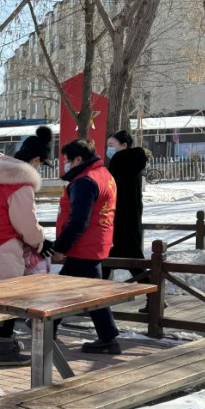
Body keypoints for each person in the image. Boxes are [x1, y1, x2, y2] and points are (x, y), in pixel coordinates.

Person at [0, 129, 53, 367]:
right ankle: (5, 350)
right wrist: (41, 240)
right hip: (1, 248)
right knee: (8, 300)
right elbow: (26, 223)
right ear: (35, 161)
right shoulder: (19, 184)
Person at [52, 139, 121, 354]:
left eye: (67, 161)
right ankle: (107, 337)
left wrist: (61, 246)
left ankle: (108, 338)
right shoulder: (104, 175)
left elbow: (78, 220)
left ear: (79, 159)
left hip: (84, 244)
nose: (66, 165)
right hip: (97, 241)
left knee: (74, 291)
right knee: (82, 291)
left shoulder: (85, 181)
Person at [105, 130, 149, 275]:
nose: (109, 149)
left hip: (121, 217)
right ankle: (152, 292)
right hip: (131, 217)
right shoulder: (132, 162)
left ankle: (153, 292)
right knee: (128, 259)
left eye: (112, 145)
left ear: (124, 145)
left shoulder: (119, 162)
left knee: (130, 259)